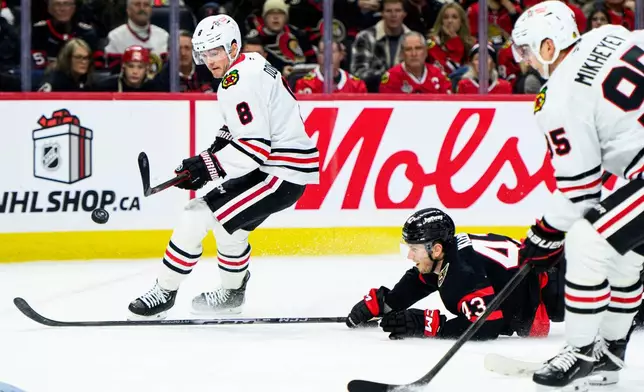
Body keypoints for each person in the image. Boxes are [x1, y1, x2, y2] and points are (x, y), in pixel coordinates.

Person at [127, 14, 319, 320]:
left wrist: (206, 165)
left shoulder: (236, 81)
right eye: (204, 53)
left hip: (278, 172)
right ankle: (232, 294)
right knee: (232, 230)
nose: (209, 60)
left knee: (195, 216)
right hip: (283, 169)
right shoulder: (252, 63)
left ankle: (164, 291)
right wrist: (210, 155)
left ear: (232, 46)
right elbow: (248, 128)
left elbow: (255, 149)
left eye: (215, 51)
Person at [510, 1, 644, 390]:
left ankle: (582, 351)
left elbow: (581, 189)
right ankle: (609, 353)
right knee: (621, 251)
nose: (525, 62)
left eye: (526, 49)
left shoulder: (557, 97)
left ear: (549, 46)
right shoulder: (611, 34)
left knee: (587, 239)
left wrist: (543, 234)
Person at [346, 208, 564, 340]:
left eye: (414, 249)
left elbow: (487, 325)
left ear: (437, 249)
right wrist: (386, 304)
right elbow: (421, 280)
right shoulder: (450, 255)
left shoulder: (462, 272)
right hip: (556, 273)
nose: (410, 256)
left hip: (562, 287)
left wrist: (431, 325)